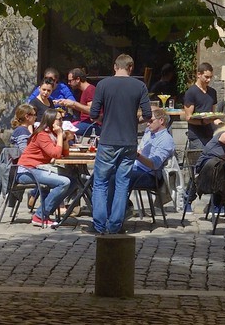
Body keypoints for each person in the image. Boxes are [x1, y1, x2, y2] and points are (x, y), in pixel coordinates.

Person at [87, 54, 152, 235]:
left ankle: (99, 225)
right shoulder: (139, 86)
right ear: (131, 67)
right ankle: (115, 225)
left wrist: (105, 118)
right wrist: (135, 120)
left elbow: (93, 114)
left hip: (108, 140)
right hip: (129, 141)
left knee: (100, 183)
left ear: (115, 67)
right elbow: (147, 115)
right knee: (122, 184)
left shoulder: (103, 85)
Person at [18, 109, 73, 228]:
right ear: (51, 120)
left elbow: (65, 153)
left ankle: (46, 212)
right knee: (64, 182)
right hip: (27, 170)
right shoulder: (42, 135)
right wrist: (59, 135)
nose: (61, 122)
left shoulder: (52, 134)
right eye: (59, 119)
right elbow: (56, 154)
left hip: (39, 168)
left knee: (74, 181)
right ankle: (40, 216)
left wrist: (65, 139)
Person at [130, 111, 177, 191]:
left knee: (117, 178)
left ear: (161, 121)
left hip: (150, 176)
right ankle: (124, 203)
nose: (148, 124)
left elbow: (154, 164)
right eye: (147, 121)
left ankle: (120, 203)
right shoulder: (149, 133)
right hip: (138, 167)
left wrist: (137, 155)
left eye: (151, 121)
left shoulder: (166, 140)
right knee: (108, 172)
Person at [181, 63, 219, 152]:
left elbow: (212, 114)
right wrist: (202, 122)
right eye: (206, 77)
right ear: (199, 74)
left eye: (210, 77)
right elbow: (188, 117)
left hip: (210, 133)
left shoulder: (212, 92)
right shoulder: (191, 92)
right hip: (197, 136)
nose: (208, 80)